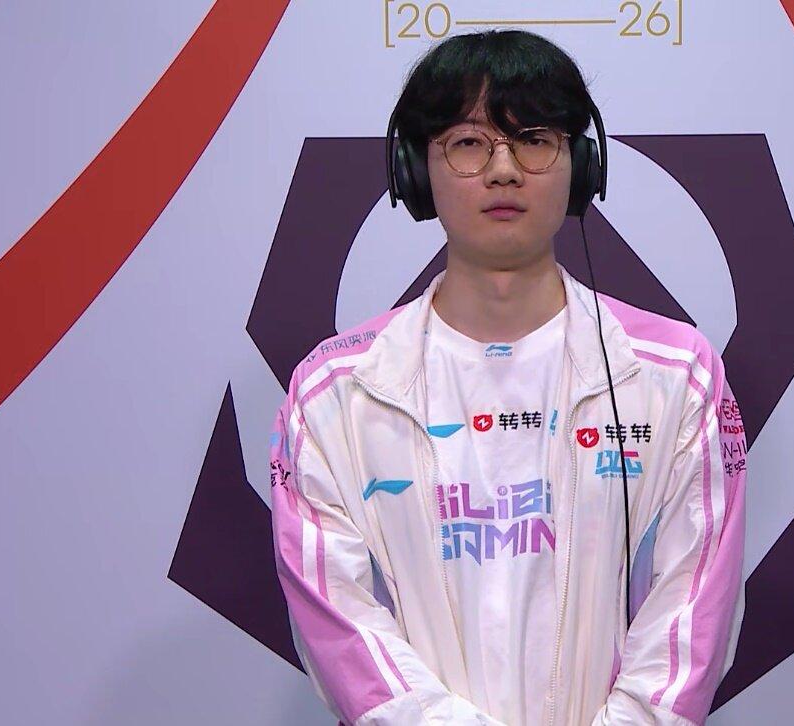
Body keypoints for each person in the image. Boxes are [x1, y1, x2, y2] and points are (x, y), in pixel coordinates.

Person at [269, 29, 747, 726]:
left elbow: (690, 624)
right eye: (468, 143)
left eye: (533, 140)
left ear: (581, 167)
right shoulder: (333, 392)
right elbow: (341, 623)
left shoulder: (677, 375)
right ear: (415, 171)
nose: (503, 170)